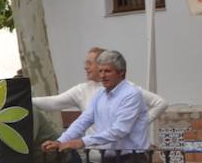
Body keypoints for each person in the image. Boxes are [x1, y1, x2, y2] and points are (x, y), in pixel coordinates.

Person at [41, 49, 152, 163]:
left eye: (108, 71)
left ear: (121, 73)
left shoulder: (131, 94)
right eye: (100, 71)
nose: (103, 75)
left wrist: (82, 142)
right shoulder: (99, 95)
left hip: (131, 162)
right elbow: (84, 120)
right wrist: (61, 141)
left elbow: (120, 130)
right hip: (106, 162)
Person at [33, 46, 168, 121]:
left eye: (89, 63)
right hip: (93, 158)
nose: (85, 67)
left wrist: (141, 123)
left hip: (121, 158)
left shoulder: (127, 89)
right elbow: (54, 102)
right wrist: (25, 99)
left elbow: (160, 103)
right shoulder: (82, 90)